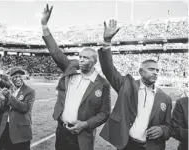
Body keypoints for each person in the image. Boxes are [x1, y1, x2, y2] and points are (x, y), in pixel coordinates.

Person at [41, 4, 111, 150]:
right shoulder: (71, 68)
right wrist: (44, 25)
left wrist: (85, 124)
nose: (82, 60)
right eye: (80, 57)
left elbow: (104, 113)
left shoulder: (102, 84)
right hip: (62, 131)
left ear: (94, 61)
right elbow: (55, 52)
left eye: (86, 58)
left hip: (82, 135)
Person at [98, 19, 172, 150]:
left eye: (157, 70)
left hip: (151, 146)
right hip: (127, 144)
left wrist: (162, 130)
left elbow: (169, 127)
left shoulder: (165, 98)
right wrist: (107, 42)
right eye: (151, 69)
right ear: (140, 71)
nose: (155, 73)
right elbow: (108, 70)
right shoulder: (127, 85)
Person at [0, 67, 35, 150]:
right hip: (6, 128)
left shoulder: (29, 91)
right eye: (15, 77)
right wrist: (3, 100)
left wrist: (9, 97)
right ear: (11, 79)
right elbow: (0, 109)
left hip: (21, 131)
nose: (18, 79)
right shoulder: (9, 90)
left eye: (20, 76)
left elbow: (25, 108)